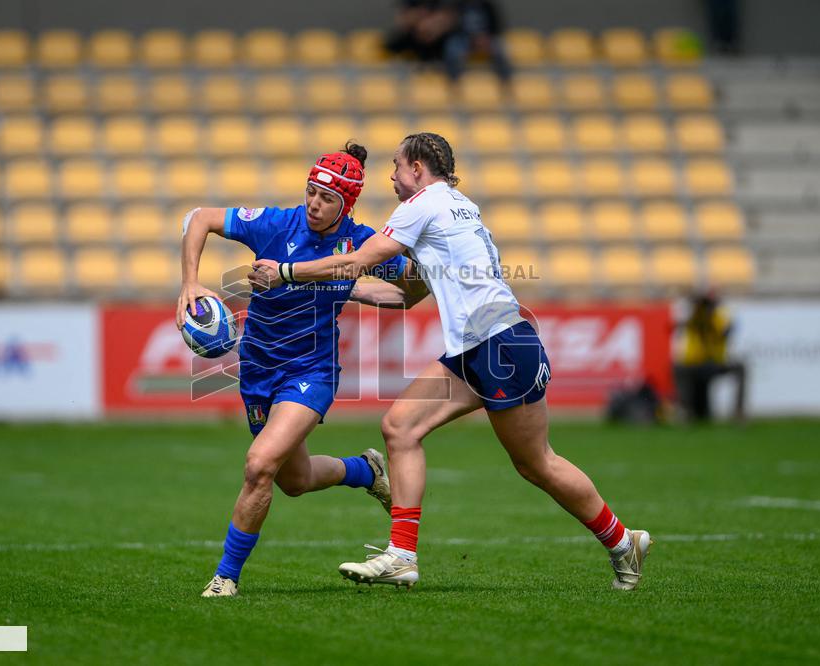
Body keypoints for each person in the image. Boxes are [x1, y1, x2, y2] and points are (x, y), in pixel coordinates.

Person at [250, 133, 651, 591]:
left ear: (418, 168)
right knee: (400, 427)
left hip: (499, 346)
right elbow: (408, 285)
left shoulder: (421, 205)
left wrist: (286, 272)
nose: (392, 178)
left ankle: (623, 541)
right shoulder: (461, 205)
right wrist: (350, 288)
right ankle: (401, 555)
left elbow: (355, 261)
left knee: (536, 463)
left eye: (397, 167)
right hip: (478, 346)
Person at [178, 142, 417, 598]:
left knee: (259, 465)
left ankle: (225, 577)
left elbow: (409, 292)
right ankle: (366, 471)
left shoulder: (362, 243)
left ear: (346, 204)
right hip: (258, 370)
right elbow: (199, 218)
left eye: (327, 198)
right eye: (310, 192)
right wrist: (189, 282)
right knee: (294, 480)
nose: (314, 203)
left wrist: (357, 290)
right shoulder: (277, 223)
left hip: (311, 370)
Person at [673, 290, 746, 422]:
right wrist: (696, 306)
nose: (706, 308)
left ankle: (738, 413)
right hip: (695, 364)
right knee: (678, 367)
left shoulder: (718, 316)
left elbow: (728, 330)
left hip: (715, 363)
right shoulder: (693, 316)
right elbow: (679, 325)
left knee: (740, 367)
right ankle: (685, 412)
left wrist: (714, 311)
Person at [443, 0, 512, 84]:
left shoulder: (488, 6)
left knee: (500, 47)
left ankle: (505, 83)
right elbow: (452, 28)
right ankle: (454, 82)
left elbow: (496, 27)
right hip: (463, 40)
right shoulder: (457, 6)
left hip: (486, 38)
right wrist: (472, 40)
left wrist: (485, 39)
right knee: (451, 47)